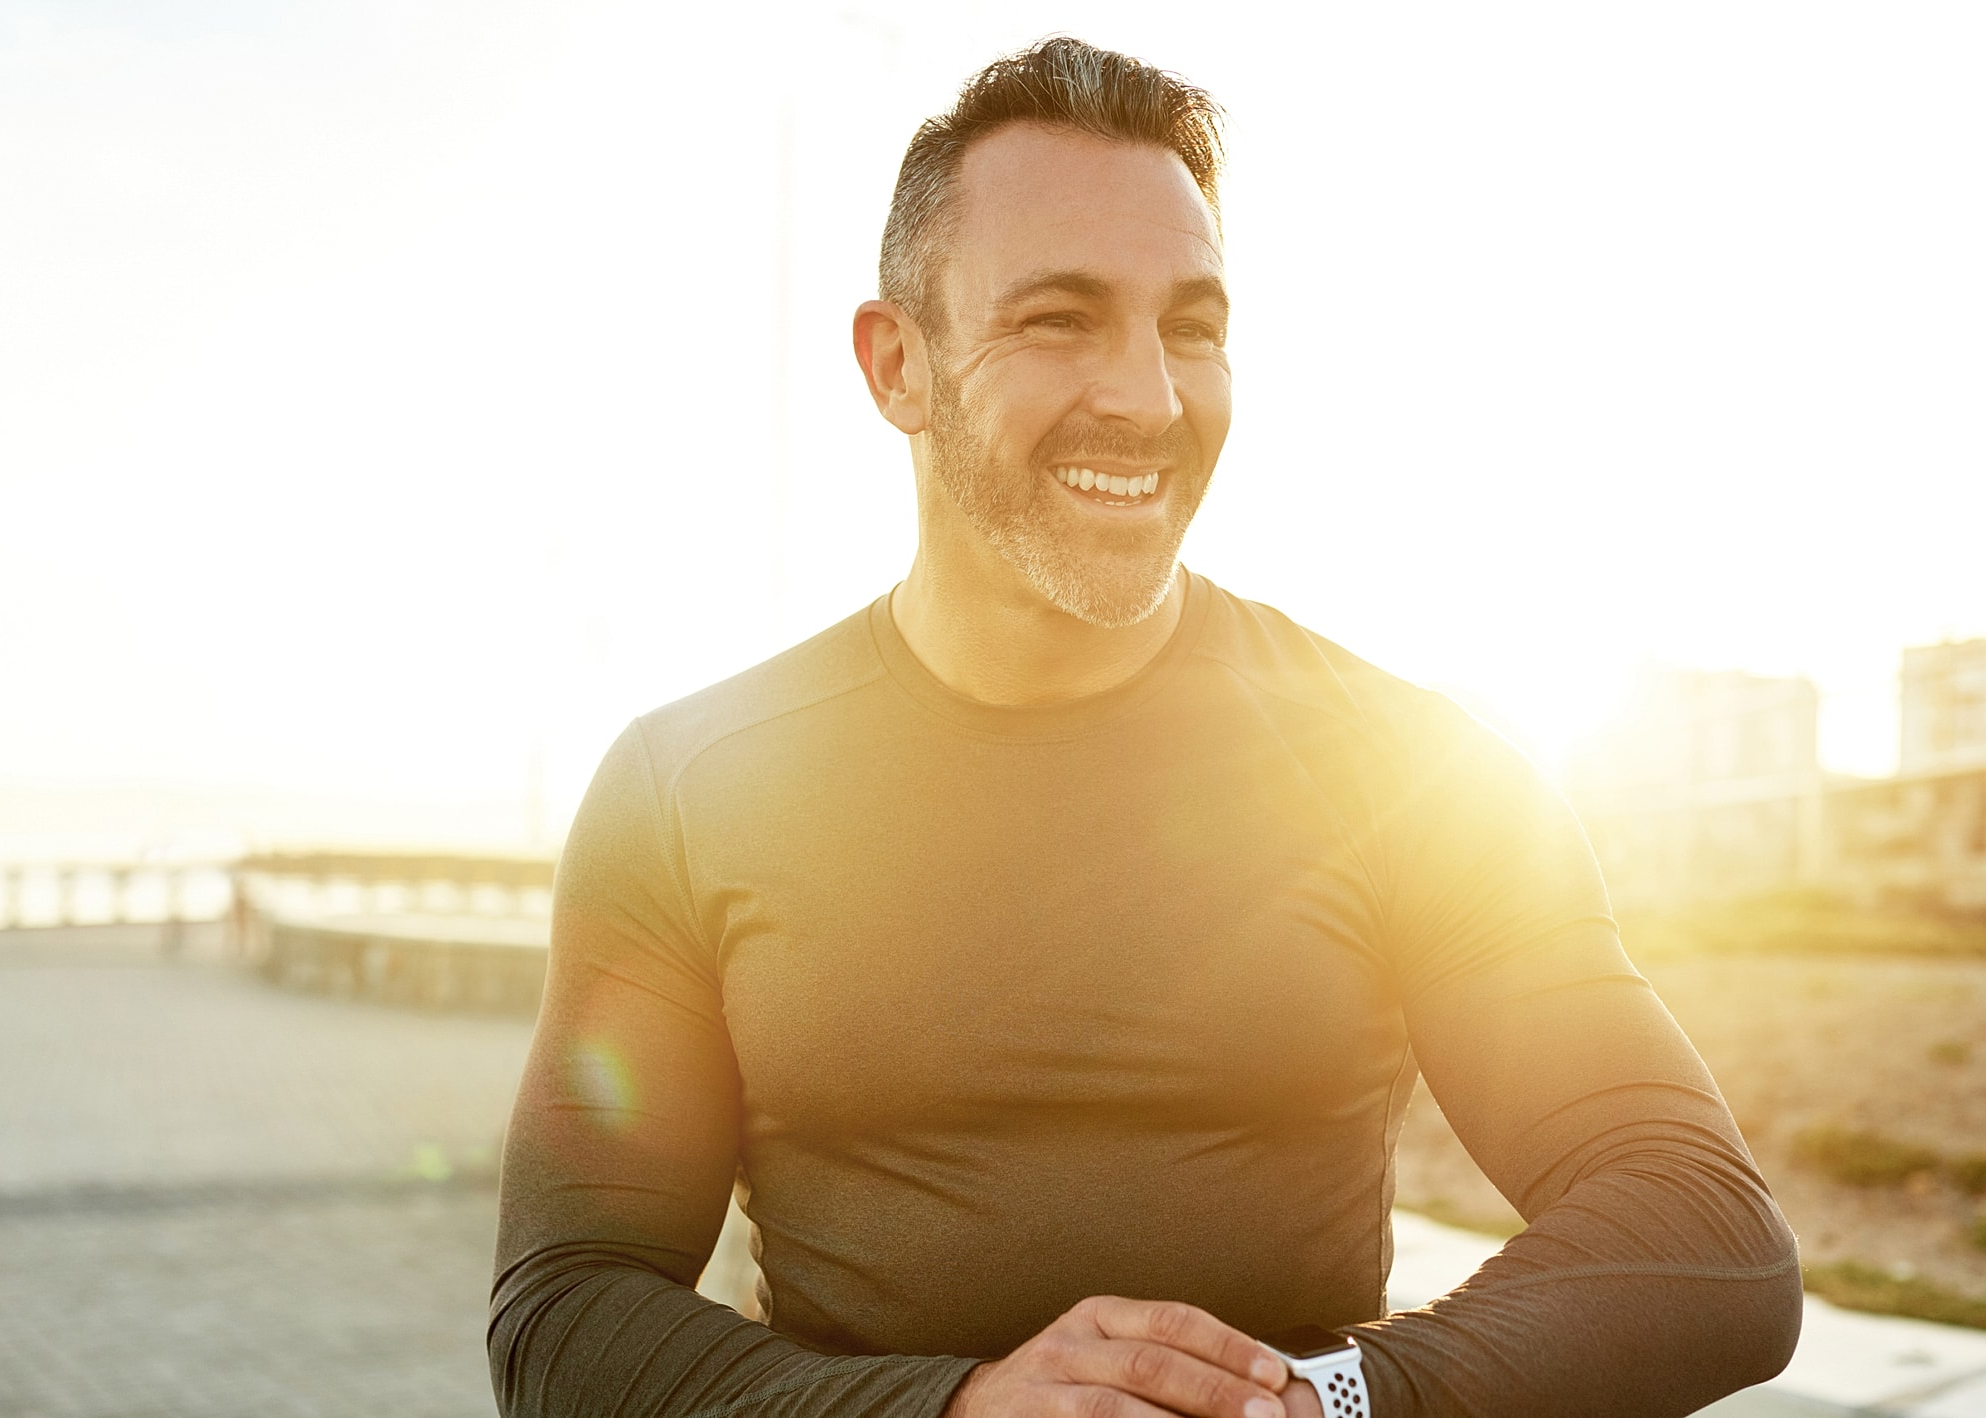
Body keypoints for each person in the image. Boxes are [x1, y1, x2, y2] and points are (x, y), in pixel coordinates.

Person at [490, 37, 1801, 1418]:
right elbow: (568, 1311)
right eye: (1060, 318)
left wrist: (1322, 1402)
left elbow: (1705, 1236)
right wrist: (952, 1410)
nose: (1151, 397)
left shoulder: (1414, 769)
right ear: (898, 365)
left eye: (1192, 325)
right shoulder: (688, 787)